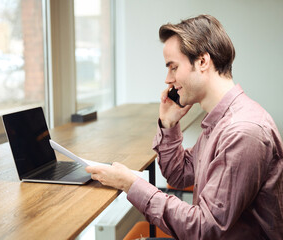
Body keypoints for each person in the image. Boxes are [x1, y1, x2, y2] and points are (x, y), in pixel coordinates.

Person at [86, 15, 283, 239]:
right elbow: (179, 175)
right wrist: (169, 124)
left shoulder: (243, 132)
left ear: (202, 62)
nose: (167, 79)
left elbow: (204, 229)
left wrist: (132, 185)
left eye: (173, 67)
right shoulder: (222, 120)